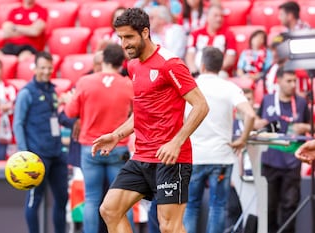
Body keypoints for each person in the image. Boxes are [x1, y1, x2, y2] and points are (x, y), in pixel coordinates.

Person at [92, 8, 209, 233]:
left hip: (171, 159)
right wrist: (117, 135)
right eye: (120, 37)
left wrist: (176, 142)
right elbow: (142, 111)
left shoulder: (170, 64)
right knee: (109, 210)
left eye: (129, 37)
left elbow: (201, 105)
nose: (124, 44)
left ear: (145, 32)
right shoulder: (133, 65)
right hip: (142, 156)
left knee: (169, 227)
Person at [181, 47, 256, 233]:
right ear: (221, 66)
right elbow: (251, 115)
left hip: (194, 156)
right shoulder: (229, 87)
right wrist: (243, 139)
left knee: (190, 206)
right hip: (221, 156)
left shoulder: (190, 86)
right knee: (218, 207)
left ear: (202, 65)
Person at [62, 43, 134, 233]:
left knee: (92, 199)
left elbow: (70, 112)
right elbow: (136, 115)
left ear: (103, 60)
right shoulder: (128, 84)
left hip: (90, 147)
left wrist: (68, 101)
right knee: (123, 199)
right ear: (121, 63)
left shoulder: (86, 82)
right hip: (117, 147)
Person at [13, 51, 68, 233]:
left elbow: (55, 118)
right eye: (42, 67)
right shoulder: (26, 93)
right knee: (34, 199)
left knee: (62, 198)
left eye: (49, 67)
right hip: (36, 157)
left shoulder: (52, 90)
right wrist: (24, 154)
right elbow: (18, 123)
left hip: (57, 153)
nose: (46, 71)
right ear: (35, 68)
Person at [254, 65, 310, 233]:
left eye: (295, 81)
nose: (293, 84)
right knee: (268, 206)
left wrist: (304, 126)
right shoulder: (268, 100)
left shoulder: (301, 103)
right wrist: (258, 124)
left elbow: (311, 127)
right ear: (278, 81)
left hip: (293, 162)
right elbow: (258, 123)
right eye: (289, 81)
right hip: (270, 160)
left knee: (290, 204)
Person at [185, 4, 236, 78]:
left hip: (218, 72)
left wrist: (212, 71)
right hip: (197, 72)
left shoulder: (229, 34)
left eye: (221, 16)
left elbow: (230, 59)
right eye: (216, 16)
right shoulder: (195, 34)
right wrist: (194, 70)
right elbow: (190, 55)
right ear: (207, 17)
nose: (219, 19)